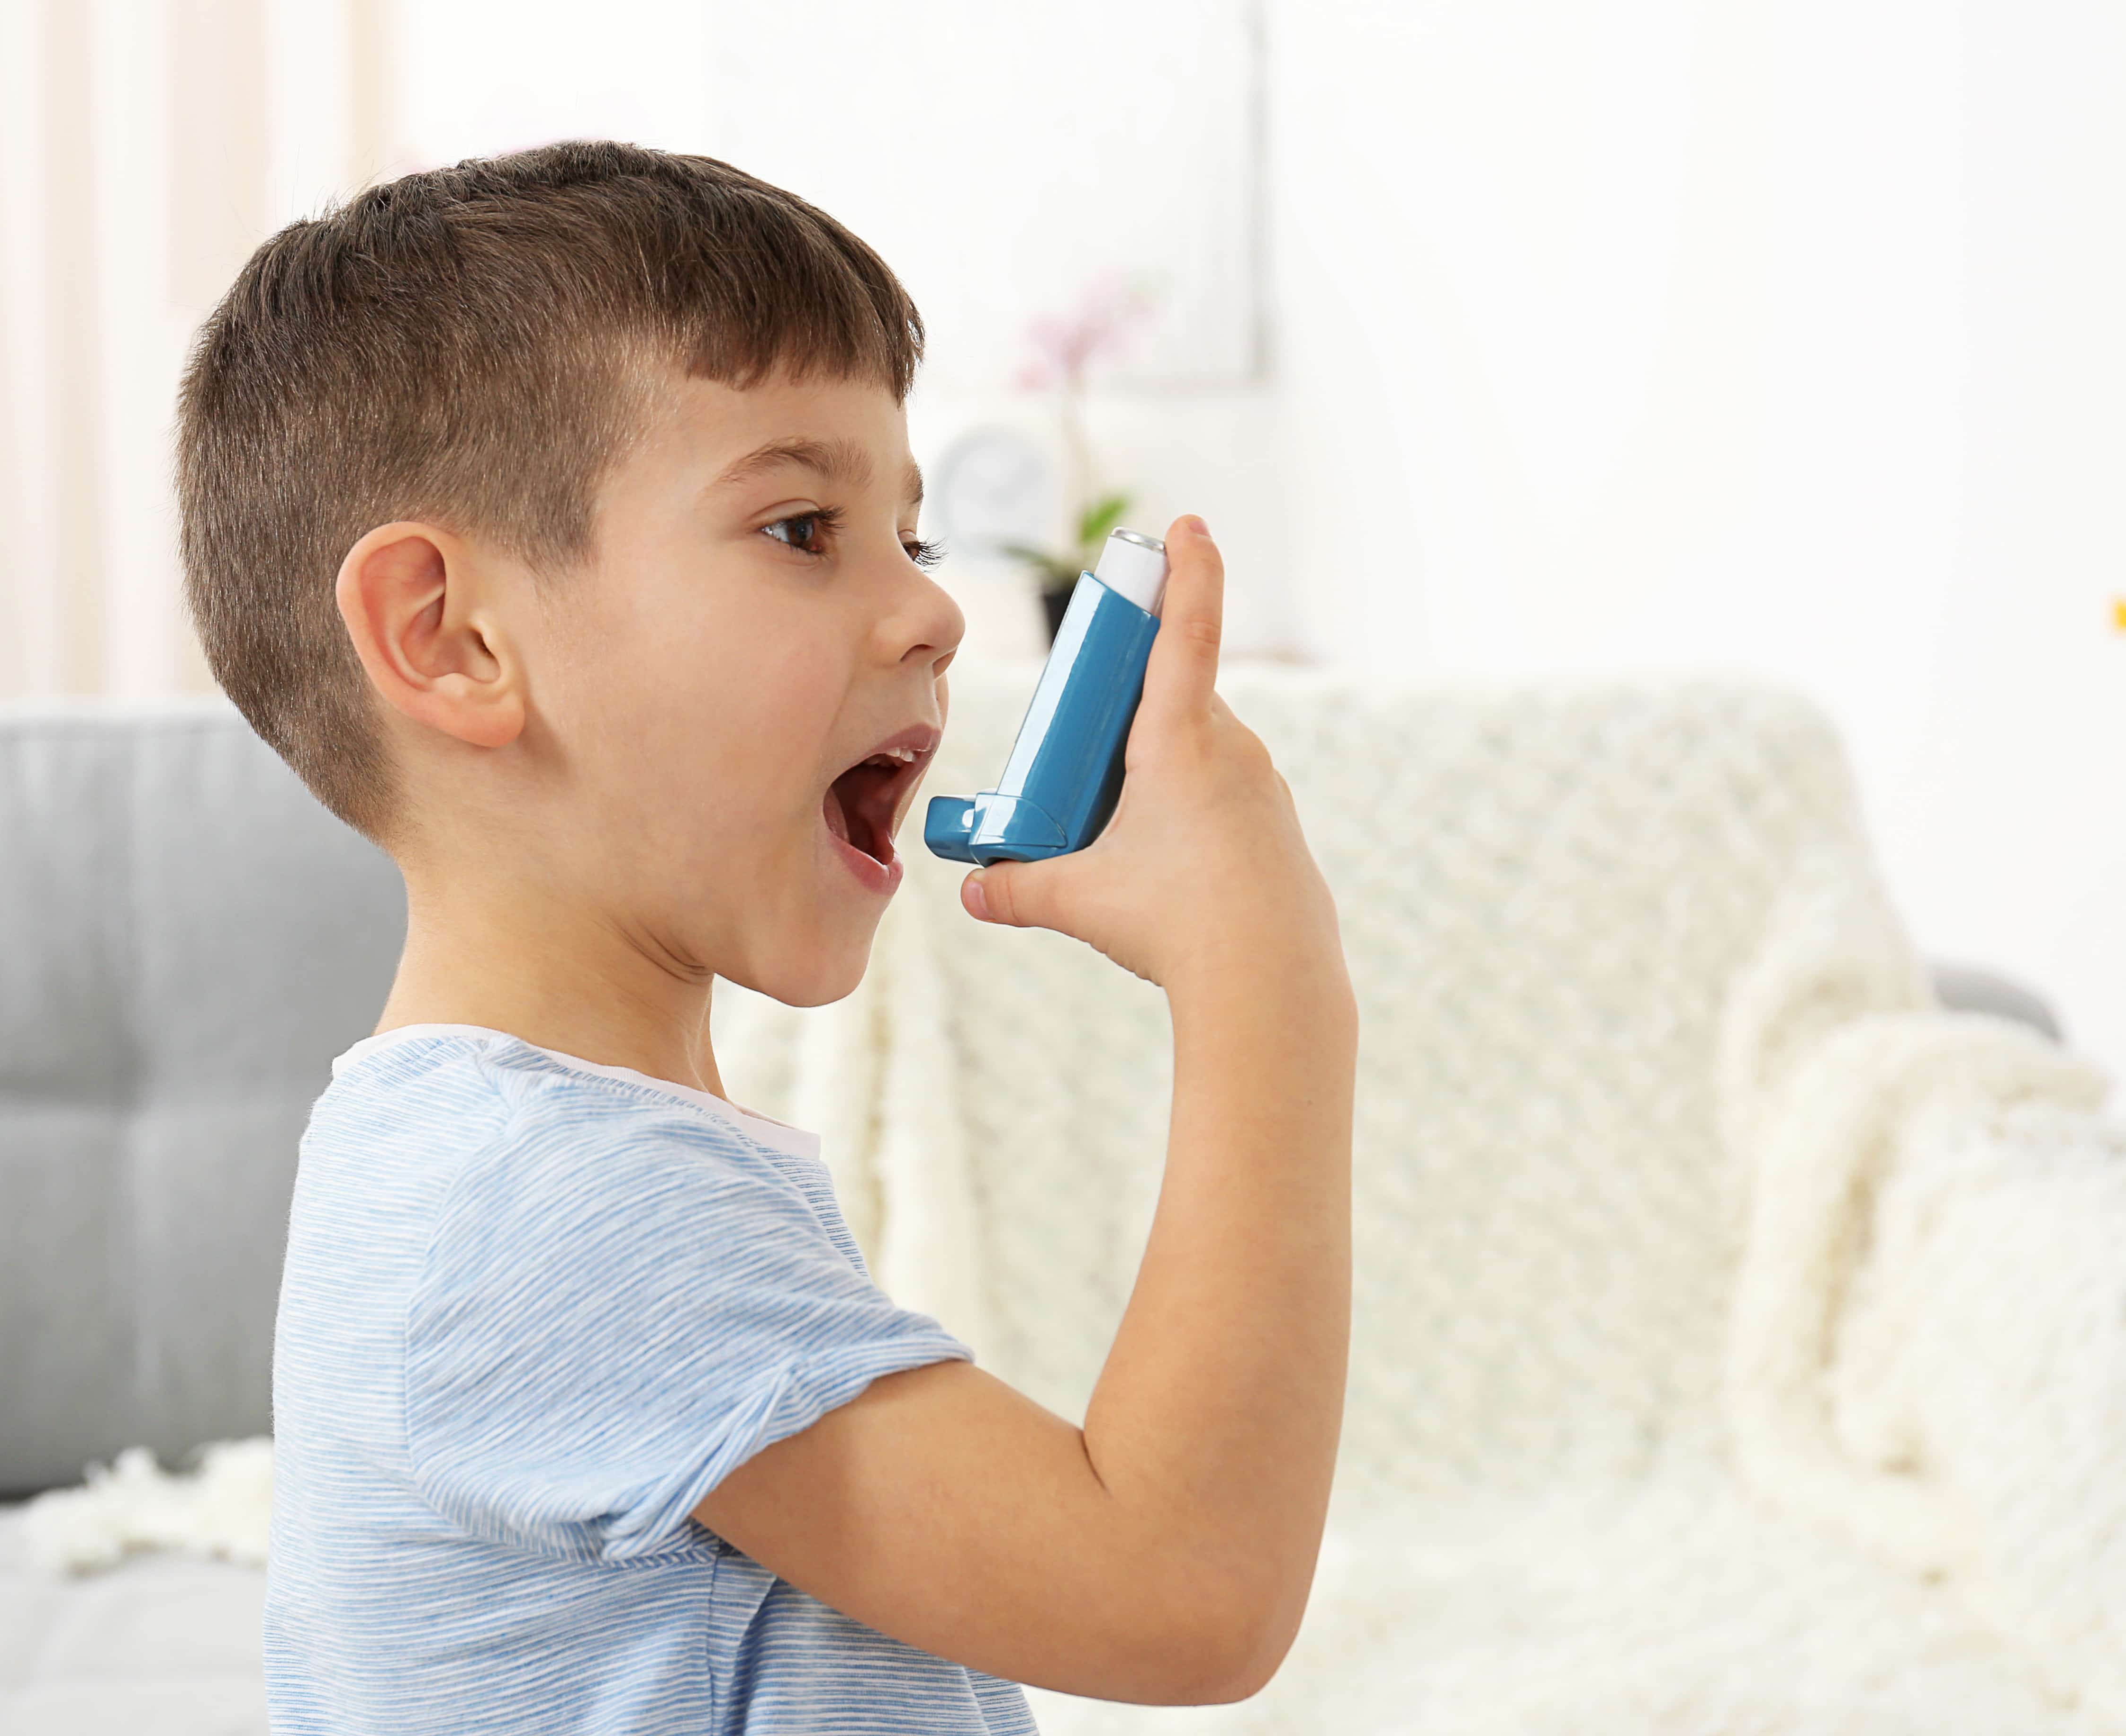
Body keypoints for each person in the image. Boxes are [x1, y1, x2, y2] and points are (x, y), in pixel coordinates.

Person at [177, 139, 1357, 1735]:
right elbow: (1182, 1595)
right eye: (804, 528)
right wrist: (1268, 975)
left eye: (914, 538)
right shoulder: (560, 1203)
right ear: (452, 640)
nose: (933, 612)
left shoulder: (498, 1150)